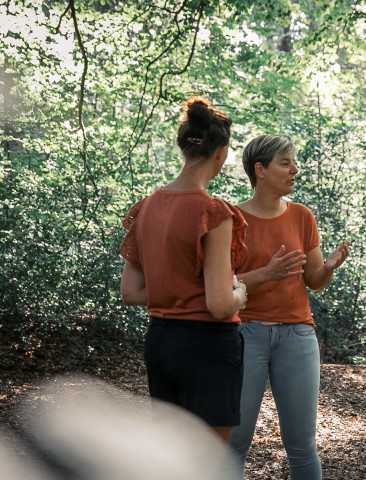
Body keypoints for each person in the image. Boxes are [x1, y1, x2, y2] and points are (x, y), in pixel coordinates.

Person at [120, 97, 248, 444]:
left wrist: (176, 292)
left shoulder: (145, 207)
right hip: (207, 347)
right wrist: (239, 290)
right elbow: (220, 305)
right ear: (221, 153)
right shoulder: (213, 212)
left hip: (161, 342)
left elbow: (130, 292)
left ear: (184, 147)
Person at [229, 134, 350, 479]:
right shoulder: (232, 219)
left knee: (301, 444)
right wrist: (265, 274)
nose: (295, 170)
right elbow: (221, 284)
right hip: (244, 335)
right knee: (235, 442)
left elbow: (312, 280)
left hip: (297, 336)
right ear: (260, 170)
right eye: (286, 163)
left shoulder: (302, 216)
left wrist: (326, 267)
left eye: (293, 162)